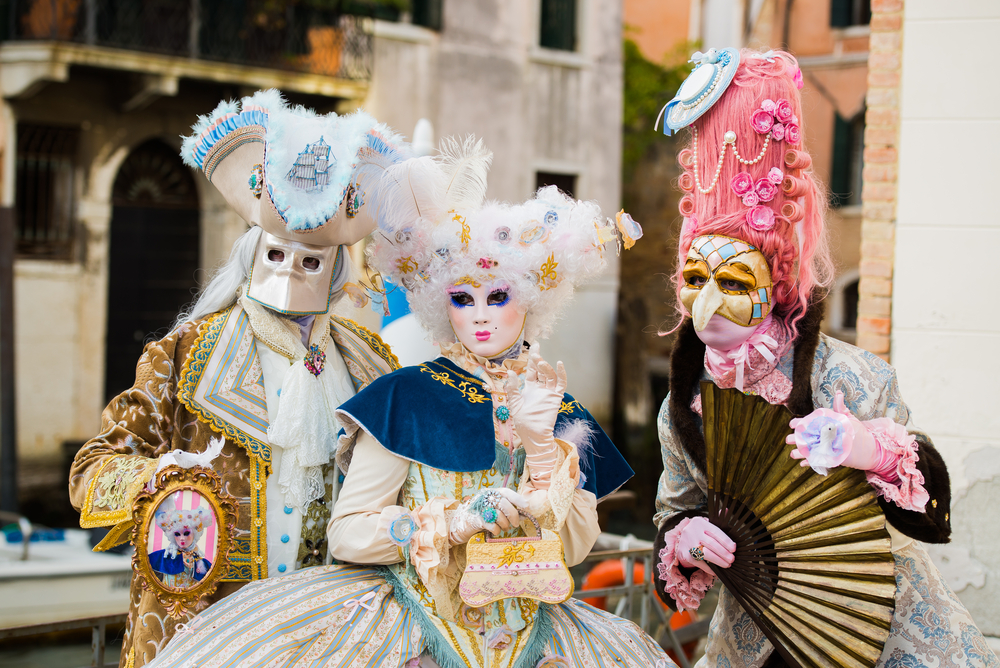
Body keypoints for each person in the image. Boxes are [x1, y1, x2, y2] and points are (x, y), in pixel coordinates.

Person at [145, 138, 674, 668]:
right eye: (463, 299)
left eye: (499, 296)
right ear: (441, 303)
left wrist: (541, 451)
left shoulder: (558, 406)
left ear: (531, 298)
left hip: (533, 639)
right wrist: (452, 522)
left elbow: (576, 549)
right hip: (419, 633)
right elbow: (348, 534)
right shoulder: (406, 396)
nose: (480, 316)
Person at [650, 48, 999, 667]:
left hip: (881, 631)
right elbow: (674, 513)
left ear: (776, 282)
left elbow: (931, 511)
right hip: (756, 637)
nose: (707, 306)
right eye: (694, 278)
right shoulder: (686, 406)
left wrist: (867, 446)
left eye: (733, 283)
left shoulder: (853, 377)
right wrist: (684, 539)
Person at [69, 90, 405, 667]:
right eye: (277, 256)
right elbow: (92, 470)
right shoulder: (182, 355)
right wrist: (158, 481)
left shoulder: (373, 365)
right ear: (251, 255)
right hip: (202, 634)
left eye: (311, 261)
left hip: (329, 640)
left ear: (338, 271)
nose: (292, 273)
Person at [148, 495, 213, 588]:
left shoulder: (201, 562)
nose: (182, 538)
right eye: (177, 534)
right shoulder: (165, 557)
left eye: (186, 533)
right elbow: (141, 566)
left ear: (195, 533)